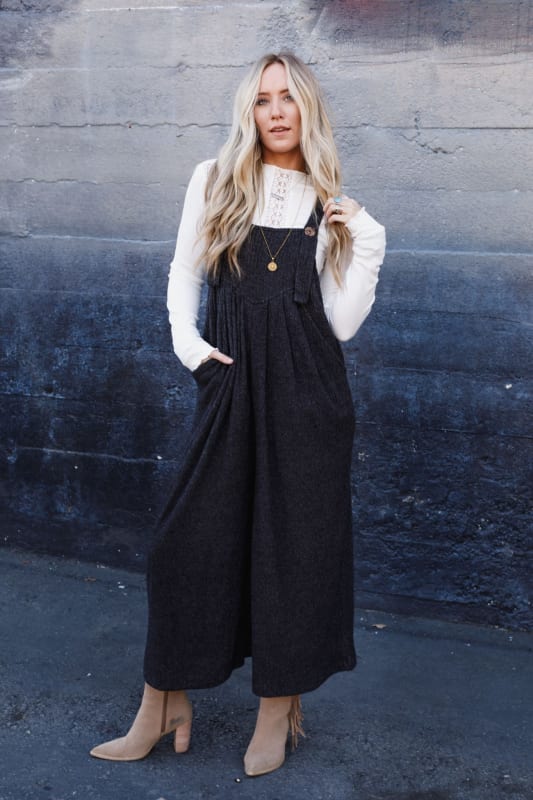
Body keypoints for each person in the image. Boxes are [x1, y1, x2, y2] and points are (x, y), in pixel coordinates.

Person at [90, 52, 386, 777]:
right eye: (262, 100)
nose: (276, 111)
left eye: (288, 98)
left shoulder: (328, 203)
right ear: (248, 112)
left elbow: (341, 324)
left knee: (293, 553)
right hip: (230, 383)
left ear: (306, 108)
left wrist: (368, 242)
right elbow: (185, 271)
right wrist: (192, 350)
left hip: (308, 394)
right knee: (183, 544)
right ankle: (162, 703)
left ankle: (277, 712)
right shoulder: (215, 179)